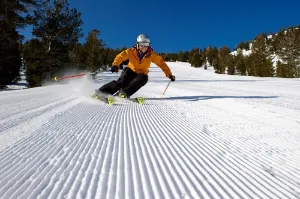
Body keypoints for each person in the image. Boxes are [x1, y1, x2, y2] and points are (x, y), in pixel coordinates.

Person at [97, 33, 176, 98]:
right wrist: (115, 65)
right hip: (130, 71)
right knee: (123, 81)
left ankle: (123, 93)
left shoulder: (151, 55)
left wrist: (169, 75)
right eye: (142, 45)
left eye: (146, 45)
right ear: (137, 44)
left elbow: (162, 64)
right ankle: (102, 92)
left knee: (144, 78)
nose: (144, 47)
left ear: (148, 45)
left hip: (141, 75)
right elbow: (120, 56)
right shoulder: (131, 51)